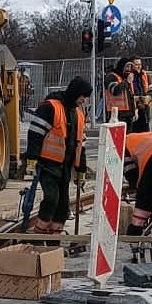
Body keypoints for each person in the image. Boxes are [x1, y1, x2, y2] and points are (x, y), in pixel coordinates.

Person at [22, 75, 92, 235]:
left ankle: (55, 236)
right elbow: (35, 135)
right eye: (84, 96)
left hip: (65, 167)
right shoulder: (50, 107)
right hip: (47, 165)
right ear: (76, 93)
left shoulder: (79, 115)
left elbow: (81, 145)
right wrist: (31, 160)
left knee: (63, 204)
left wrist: (81, 170)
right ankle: (40, 233)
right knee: (51, 198)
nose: (84, 101)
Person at [126, 56, 152, 133]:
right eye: (136, 64)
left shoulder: (145, 75)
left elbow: (151, 90)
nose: (139, 67)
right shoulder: (127, 77)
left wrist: (149, 97)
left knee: (145, 136)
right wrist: (140, 99)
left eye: (140, 64)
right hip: (132, 112)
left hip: (144, 110)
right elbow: (127, 95)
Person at [104, 58, 132, 122]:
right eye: (127, 66)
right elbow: (115, 90)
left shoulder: (125, 78)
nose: (129, 69)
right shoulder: (112, 76)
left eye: (130, 67)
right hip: (116, 115)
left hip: (127, 115)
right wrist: (126, 82)